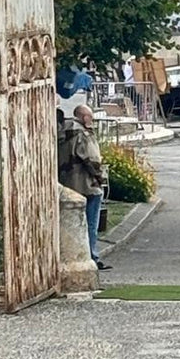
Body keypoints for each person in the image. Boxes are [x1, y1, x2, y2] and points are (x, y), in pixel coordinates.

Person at [58, 104, 110, 270]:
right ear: (84, 117)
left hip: (68, 184)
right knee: (91, 223)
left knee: (71, 224)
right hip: (88, 185)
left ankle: (71, 255)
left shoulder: (61, 133)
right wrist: (101, 177)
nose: (92, 120)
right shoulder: (83, 134)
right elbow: (92, 159)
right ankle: (92, 257)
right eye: (90, 117)